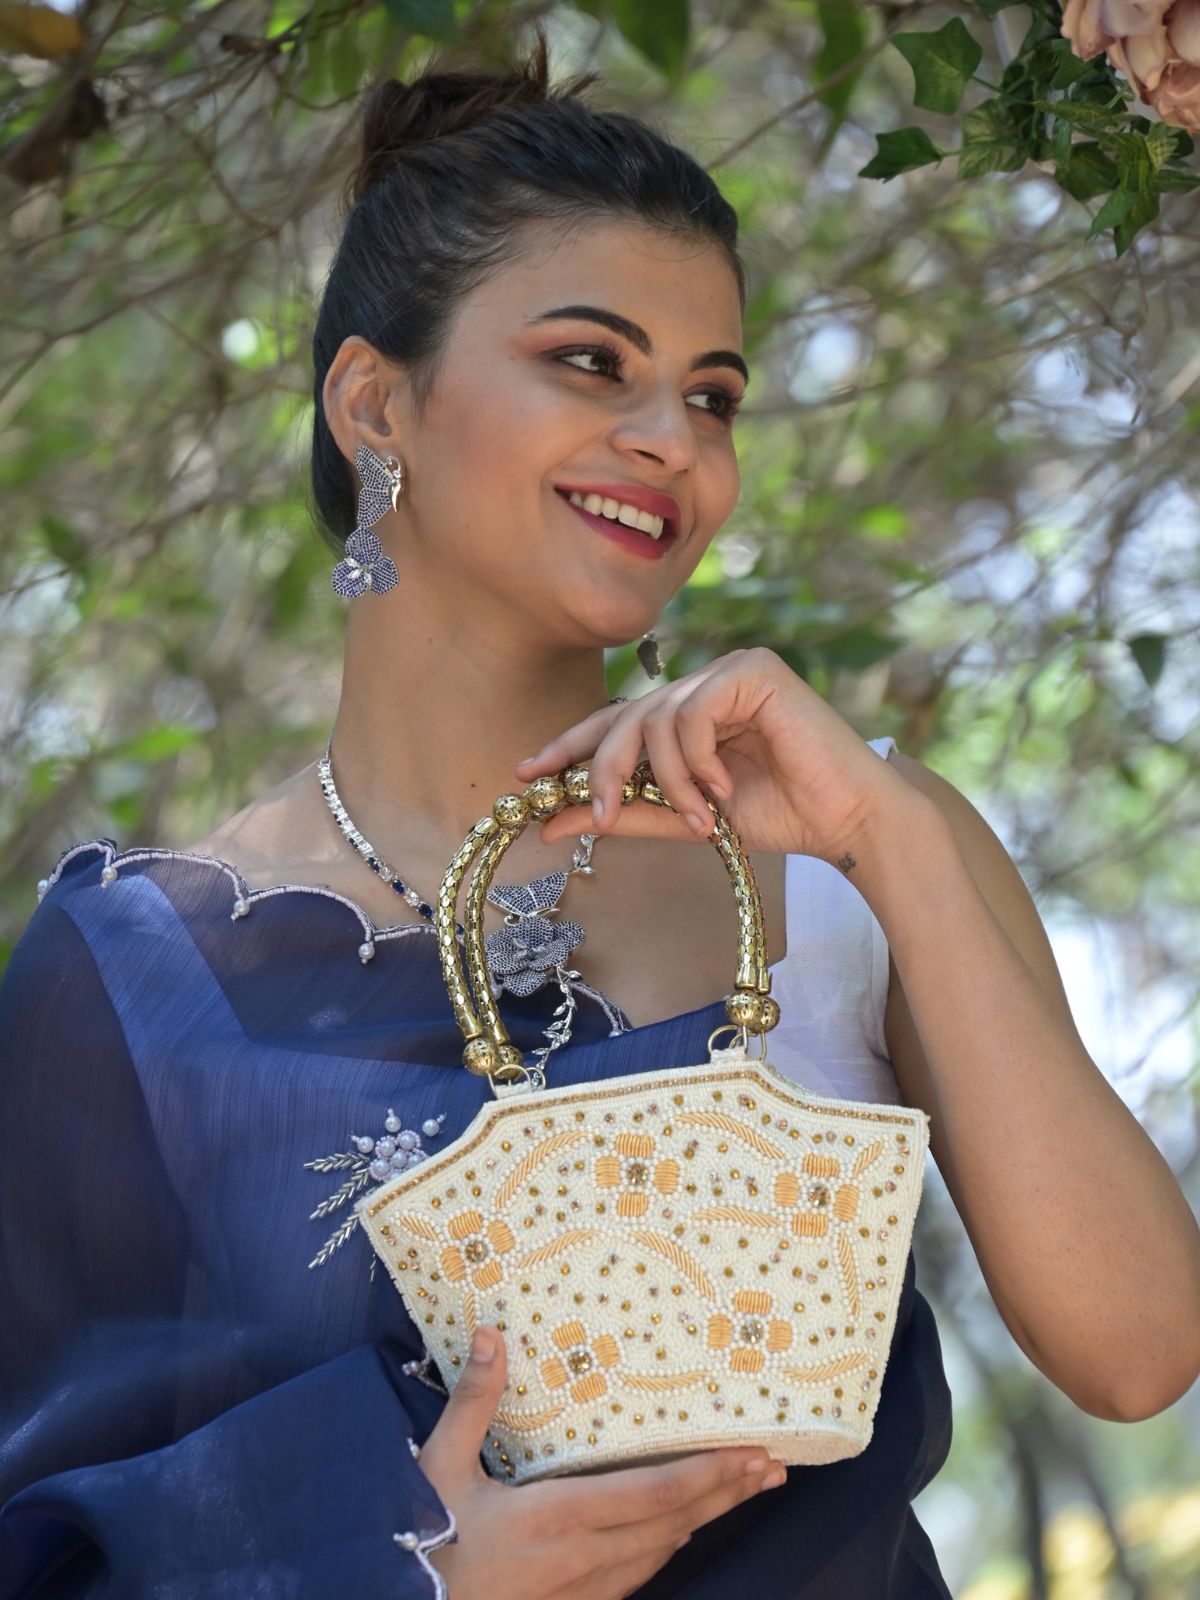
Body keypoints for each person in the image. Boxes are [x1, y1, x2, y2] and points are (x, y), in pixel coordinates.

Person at [2, 32, 1198, 1600]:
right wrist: (410, 1573)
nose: (673, 442)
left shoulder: (847, 845)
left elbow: (1136, 1352)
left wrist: (890, 838)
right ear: (374, 403)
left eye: (714, 396)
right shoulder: (135, 973)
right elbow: (55, 1534)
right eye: (590, 362)